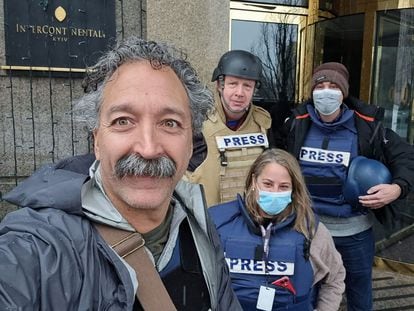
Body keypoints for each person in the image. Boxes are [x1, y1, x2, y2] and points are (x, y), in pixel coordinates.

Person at [0, 37, 241, 310]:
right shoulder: (40, 248)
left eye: (170, 123)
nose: (148, 148)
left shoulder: (199, 225)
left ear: (190, 144)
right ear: (97, 141)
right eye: (123, 121)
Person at [275, 62, 414, 310]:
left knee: (359, 297)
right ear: (312, 91)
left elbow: (406, 157)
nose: (326, 92)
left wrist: (397, 188)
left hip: (355, 235)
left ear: (344, 93)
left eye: (333, 86)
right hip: (307, 230)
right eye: (320, 86)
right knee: (308, 294)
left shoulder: (367, 126)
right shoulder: (296, 124)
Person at [209, 148, 345, 310]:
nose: (274, 192)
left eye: (283, 187)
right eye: (267, 184)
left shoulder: (310, 229)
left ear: (294, 189)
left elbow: (334, 278)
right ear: (254, 181)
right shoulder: (218, 222)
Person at [185, 50, 272, 206]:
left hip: (250, 219)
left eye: (247, 86)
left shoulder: (263, 124)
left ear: (254, 91)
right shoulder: (198, 122)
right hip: (208, 221)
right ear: (220, 85)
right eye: (233, 84)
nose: (240, 93)